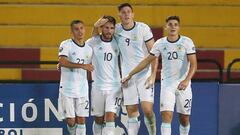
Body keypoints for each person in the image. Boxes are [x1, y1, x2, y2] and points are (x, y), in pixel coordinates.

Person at [122, 16, 197, 135]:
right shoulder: (160, 43)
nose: (173, 27)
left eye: (175, 24)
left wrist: (187, 80)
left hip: (184, 85)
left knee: (184, 119)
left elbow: (193, 64)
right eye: (170, 24)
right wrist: (130, 74)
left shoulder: (187, 42)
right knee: (166, 116)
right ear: (166, 27)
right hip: (167, 85)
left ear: (179, 27)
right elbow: (147, 60)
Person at [93, 3, 158, 135]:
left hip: (144, 74)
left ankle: (153, 132)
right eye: (123, 12)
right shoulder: (116, 29)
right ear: (119, 15)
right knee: (131, 111)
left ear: (133, 14)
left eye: (129, 11)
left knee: (147, 110)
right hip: (127, 77)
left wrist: (153, 75)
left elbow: (154, 53)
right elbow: (96, 39)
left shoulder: (143, 28)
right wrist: (96, 26)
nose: (126, 14)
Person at [87, 16, 122, 135]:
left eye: (112, 28)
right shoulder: (93, 42)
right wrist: (95, 26)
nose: (109, 30)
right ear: (101, 28)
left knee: (110, 117)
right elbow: (82, 52)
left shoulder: (118, 42)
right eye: (106, 27)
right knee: (98, 120)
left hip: (115, 87)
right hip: (97, 86)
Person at [58, 20, 93, 135]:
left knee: (82, 119)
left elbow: (90, 67)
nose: (80, 31)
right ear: (71, 31)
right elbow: (62, 61)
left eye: (82, 28)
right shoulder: (66, 44)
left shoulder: (88, 49)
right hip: (67, 89)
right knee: (71, 120)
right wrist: (82, 66)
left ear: (85, 29)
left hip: (82, 89)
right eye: (76, 29)